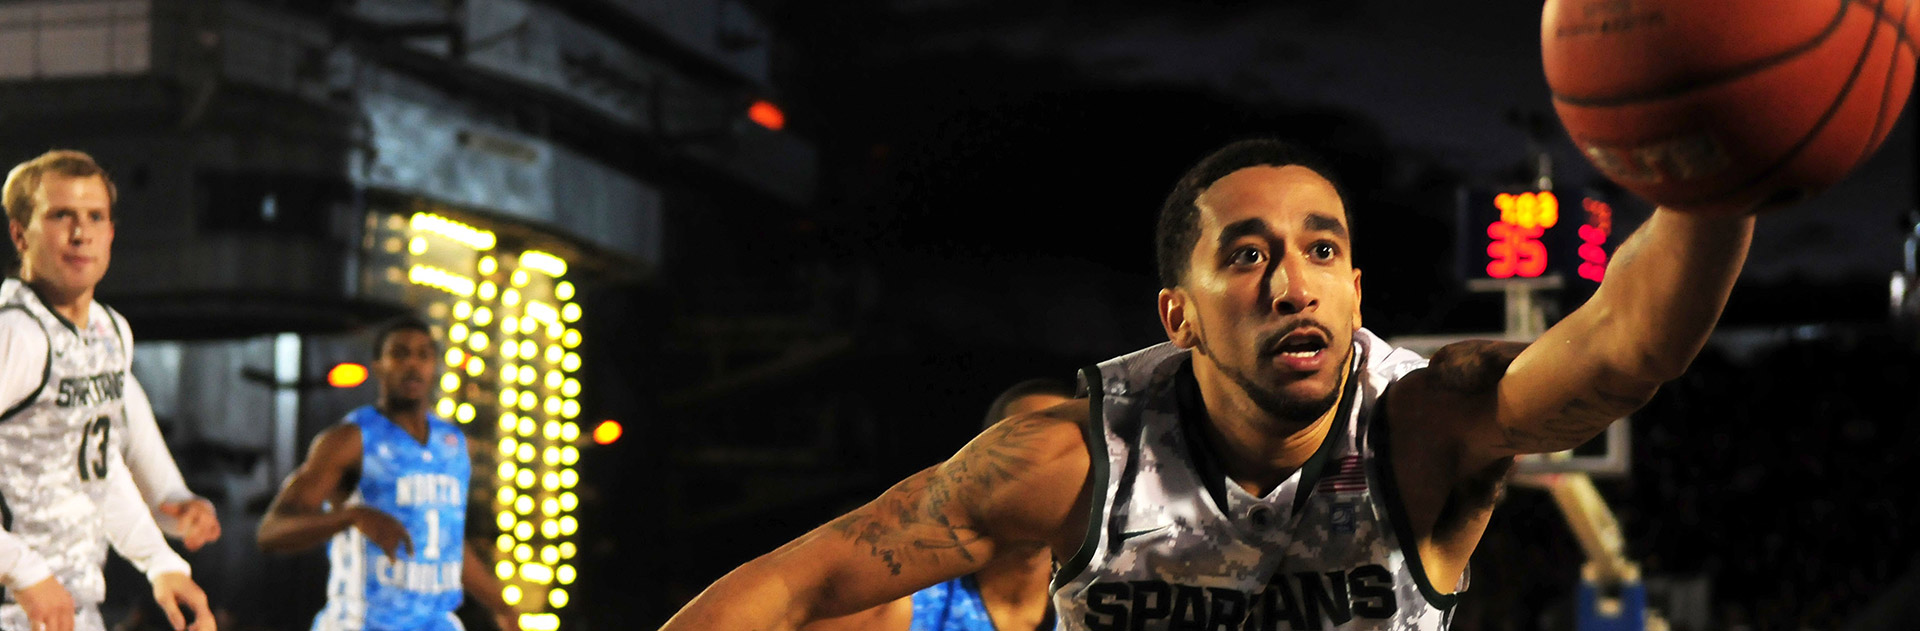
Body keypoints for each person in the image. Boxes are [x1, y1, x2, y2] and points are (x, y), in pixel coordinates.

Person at [657, 138, 1756, 630]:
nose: (1292, 283)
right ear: (1177, 316)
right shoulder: (1069, 459)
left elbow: (1627, 345)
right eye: (1247, 254)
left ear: (1356, 290)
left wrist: (1724, 168)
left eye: (1322, 250)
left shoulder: (1428, 424)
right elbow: (790, 590)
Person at [0, 149, 217, 631]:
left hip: (71, 607)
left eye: (95, 216)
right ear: (20, 234)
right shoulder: (14, 334)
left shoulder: (108, 331)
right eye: (61, 216)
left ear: (112, 233)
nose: (81, 233)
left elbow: (96, 473)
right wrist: (20, 568)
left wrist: (159, 561)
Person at [256, 319, 518, 631]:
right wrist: (352, 516)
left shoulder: (452, 444)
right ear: (379, 366)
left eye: (423, 355)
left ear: (434, 366)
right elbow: (271, 532)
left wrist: (504, 608)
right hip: (362, 623)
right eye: (400, 353)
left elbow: (447, 543)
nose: (413, 364)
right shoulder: (350, 439)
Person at [806, 378, 1075, 631]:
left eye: (1067, 455)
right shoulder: (905, 604)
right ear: (981, 468)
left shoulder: (1091, 605)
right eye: (1027, 450)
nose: (1044, 474)